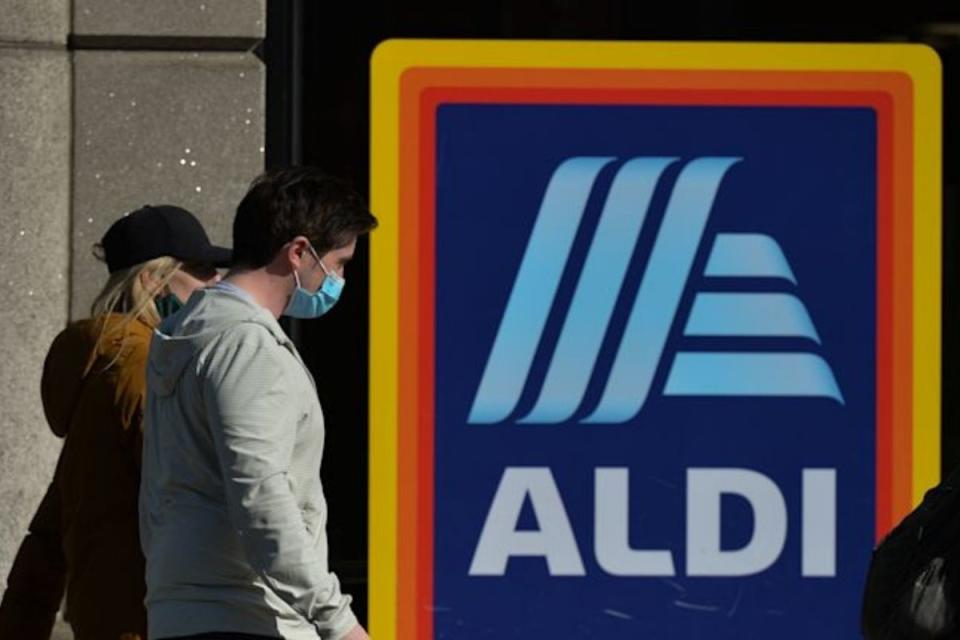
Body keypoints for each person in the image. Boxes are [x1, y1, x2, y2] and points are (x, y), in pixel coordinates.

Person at [139, 168, 377, 640]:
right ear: (298, 253)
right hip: (247, 614)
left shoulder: (189, 331)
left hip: (186, 608)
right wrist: (339, 622)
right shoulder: (247, 347)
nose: (341, 278)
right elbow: (262, 496)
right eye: (340, 262)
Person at [0, 205, 230, 640]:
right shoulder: (144, 367)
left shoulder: (106, 369)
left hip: (112, 618)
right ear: (151, 279)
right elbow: (186, 497)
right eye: (200, 270)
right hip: (151, 620)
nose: (215, 282)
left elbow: (54, 525)